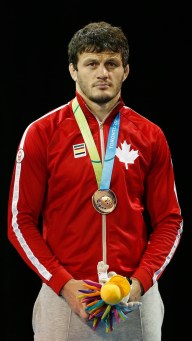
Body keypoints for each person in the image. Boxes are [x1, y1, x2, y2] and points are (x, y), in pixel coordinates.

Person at [7, 21, 183, 341]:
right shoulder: (41, 133)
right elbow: (20, 221)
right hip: (65, 297)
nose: (102, 72)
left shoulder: (150, 136)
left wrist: (141, 281)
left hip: (135, 295)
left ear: (125, 71)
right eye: (91, 63)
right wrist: (62, 283)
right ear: (74, 71)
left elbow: (170, 220)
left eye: (111, 63)